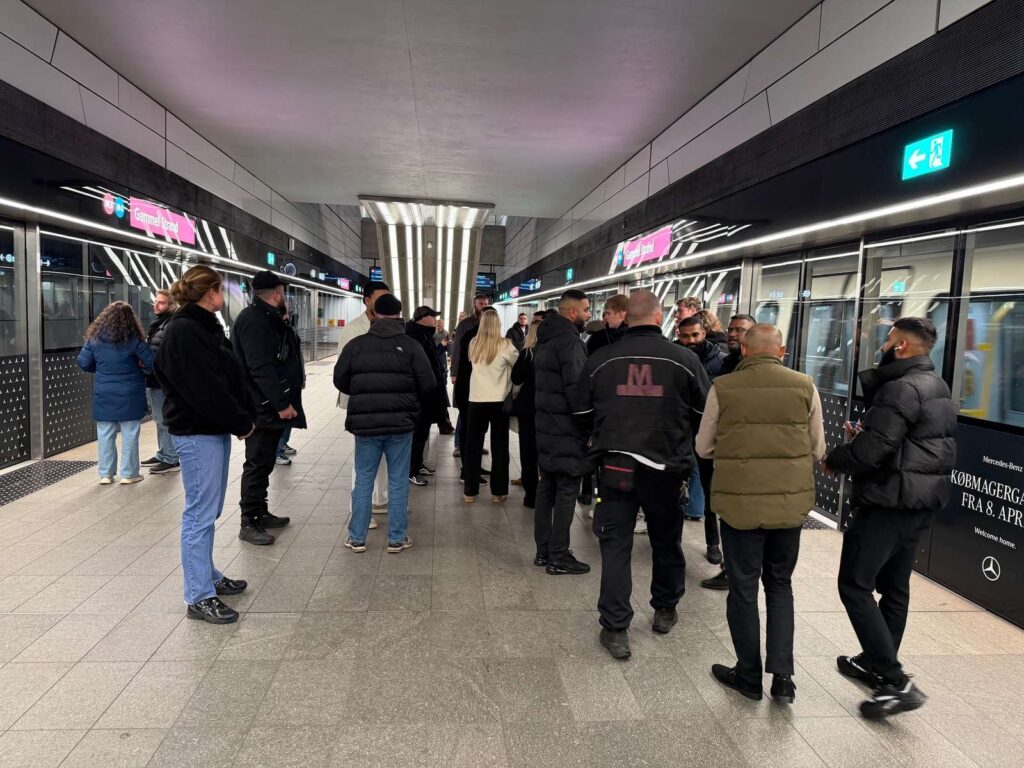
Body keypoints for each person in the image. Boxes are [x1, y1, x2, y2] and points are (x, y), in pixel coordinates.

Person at [823, 317, 956, 720]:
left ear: (900, 346)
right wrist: (865, 435)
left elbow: (873, 451)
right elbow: (903, 442)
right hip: (919, 501)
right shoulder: (936, 384)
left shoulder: (900, 387)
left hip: (889, 500)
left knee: (855, 585)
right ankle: (875, 663)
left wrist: (836, 458)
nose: (881, 346)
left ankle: (896, 682)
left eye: (887, 340)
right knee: (895, 587)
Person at [574, 291, 709, 660]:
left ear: (626, 318)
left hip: (616, 466)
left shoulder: (602, 359)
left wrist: (601, 433)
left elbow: (581, 412)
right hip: (667, 467)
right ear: (659, 316)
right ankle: (665, 608)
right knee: (666, 540)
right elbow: (705, 412)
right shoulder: (684, 359)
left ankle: (615, 627)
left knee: (615, 545)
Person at [696, 324, 826, 704]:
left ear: (745, 351)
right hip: (788, 507)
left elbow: (703, 447)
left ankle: (749, 675)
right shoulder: (805, 386)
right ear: (781, 351)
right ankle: (783, 679)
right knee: (780, 585)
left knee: (743, 589)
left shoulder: (723, 387)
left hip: (739, 508)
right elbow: (818, 447)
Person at [155, 265, 254, 625]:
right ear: (210, 292)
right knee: (199, 513)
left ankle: (207, 575)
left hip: (210, 430)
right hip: (196, 432)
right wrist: (240, 421)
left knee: (207, 511)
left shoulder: (202, 326)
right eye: (220, 289)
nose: (223, 295)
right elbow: (205, 388)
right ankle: (198, 595)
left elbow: (224, 376)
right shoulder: (185, 331)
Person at [334, 294, 435, 554]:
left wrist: (362, 390)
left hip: (366, 424)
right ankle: (397, 539)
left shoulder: (356, 345)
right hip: (401, 424)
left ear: (375, 314)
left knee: (364, 479)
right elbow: (429, 384)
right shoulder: (411, 346)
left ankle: (357, 538)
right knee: (398, 480)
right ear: (399, 315)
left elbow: (340, 380)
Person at [230, 271, 304, 546]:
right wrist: (281, 404)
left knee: (264, 462)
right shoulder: (254, 320)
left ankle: (260, 511)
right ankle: (248, 521)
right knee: (257, 463)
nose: (284, 297)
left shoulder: (265, 317)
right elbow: (260, 367)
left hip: (265, 405)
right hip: (260, 406)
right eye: (283, 293)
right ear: (276, 294)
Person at [534, 289, 591, 575]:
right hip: (567, 430)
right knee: (567, 490)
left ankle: (543, 551)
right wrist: (588, 429)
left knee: (547, 488)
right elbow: (577, 391)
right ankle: (558, 556)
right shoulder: (570, 342)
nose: (589, 315)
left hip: (546, 427)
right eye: (586, 310)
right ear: (572, 312)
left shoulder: (544, 340)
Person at [701, 312, 757, 591]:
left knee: (737, 513)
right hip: (723, 447)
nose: (733, 334)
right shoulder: (726, 362)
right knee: (717, 503)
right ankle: (723, 557)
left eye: (740, 330)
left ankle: (736, 570)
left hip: (741, 451)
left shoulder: (750, 370)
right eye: (732, 329)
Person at [77, 301, 154, 485]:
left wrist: (102, 369)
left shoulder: (94, 339)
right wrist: (140, 369)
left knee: (105, 433)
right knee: (130, 434)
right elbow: (152, 363)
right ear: (130, 320)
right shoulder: (134, 340)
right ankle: (129, 474)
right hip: (130, 393)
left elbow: (83, 362)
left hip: (104, 392)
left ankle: (106, 474)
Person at [676, 314, 727, 561]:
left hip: (706, 432)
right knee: (673, 488)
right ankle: (672, 539)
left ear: (704, 333)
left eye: (695, 335)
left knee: (709, 489)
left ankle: (713, 543)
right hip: (678, 431)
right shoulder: (674, 356)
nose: (691, 340)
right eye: (685, 336)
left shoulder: (720, 360)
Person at [339, 280, 392, 515]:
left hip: (386, 402)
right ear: (367, 301)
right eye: (379, 299)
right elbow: (343, 370)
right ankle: (360, 510)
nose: (384, 303)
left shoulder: (389, 328)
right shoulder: (353, 329)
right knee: (364, 461)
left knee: (383, 454)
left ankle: (379, 498)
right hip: (364, 403)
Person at [463, 308, 518, 503]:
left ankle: (470, 492)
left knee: (473, 447)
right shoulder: (506, 345)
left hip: (476, 400)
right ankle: (498, 492)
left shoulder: (473, 344)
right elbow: (518, 364)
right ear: (498, 324)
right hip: (498, 402)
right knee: (500, 447)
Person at [405, 305, 446, 485]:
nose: (435, 319)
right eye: (432, 316)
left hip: (427, 393)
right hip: (419, 395)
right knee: (417, 433)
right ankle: (411, 470)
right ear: (423, 318)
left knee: (422, 433)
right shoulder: (415, 336)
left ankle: (418, 464)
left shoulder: (424, 335)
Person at [141, 289, 180, 475]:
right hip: (154, 379)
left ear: (171, 305)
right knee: (158, 419)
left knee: (164, 420)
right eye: (155, 301)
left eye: (161, 302)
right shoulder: (159, 323)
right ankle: (163, 453)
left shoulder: (170, 324)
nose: (156, 305)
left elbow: (163, 354)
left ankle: (171, 457)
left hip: (161, 381)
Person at [451, 294, 491, 458]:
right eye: (481, 303)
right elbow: (457, 349)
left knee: (477, 413)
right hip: (466, 373)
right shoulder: (466, 324)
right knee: (465, 411)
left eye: (486, 303)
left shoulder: (489, 323)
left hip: (482, 375)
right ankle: (459, 444)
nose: (484, 305)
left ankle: (476, 444)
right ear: (474, 304)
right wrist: (454, 372)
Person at [511, 315, 542, 508]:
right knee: (546, 451)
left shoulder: (528, 352)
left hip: (528, 407)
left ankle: (531, 496)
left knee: (528, 451)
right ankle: (548, 495)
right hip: (549, 409)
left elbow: (516, 377)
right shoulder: (554, 351)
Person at [274, 303, 305, 466]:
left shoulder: (290, 330)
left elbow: (297, 357)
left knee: (292, 414)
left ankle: (283, 443)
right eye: (288, 313)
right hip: (283, 382)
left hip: (293, 380)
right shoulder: (278, 331)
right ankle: (277, 450)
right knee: (284, 415)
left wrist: (302, 377)